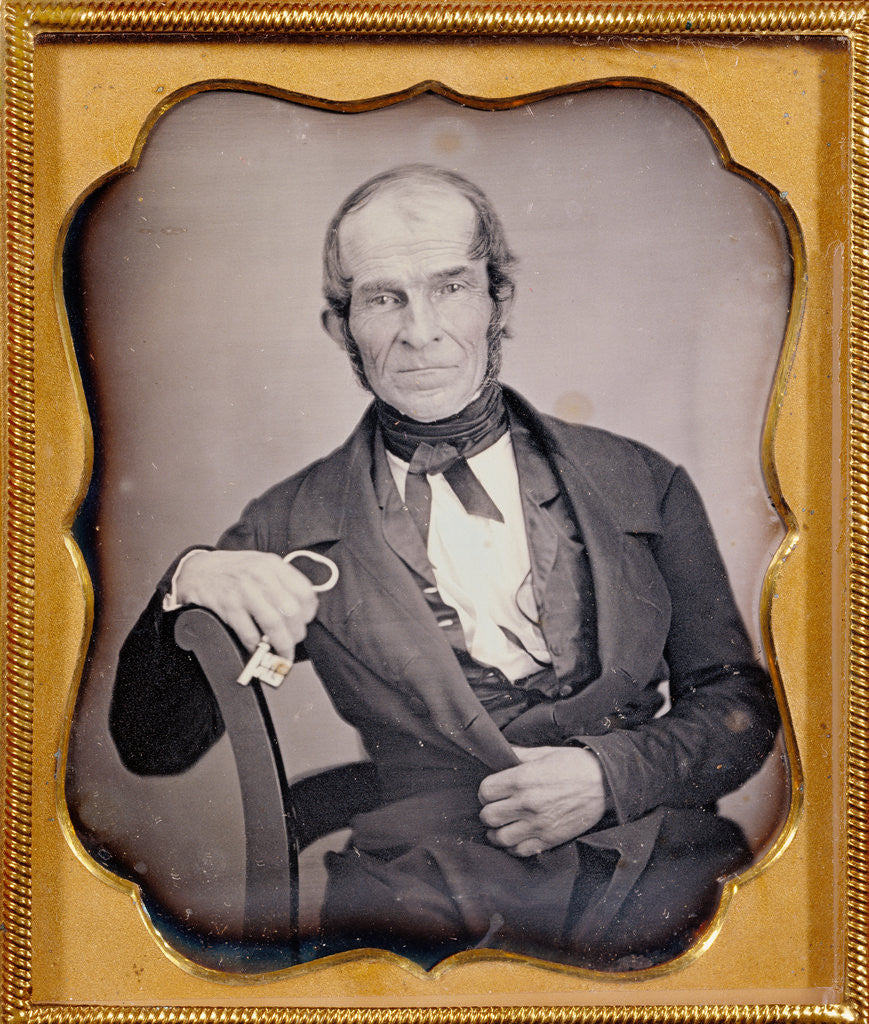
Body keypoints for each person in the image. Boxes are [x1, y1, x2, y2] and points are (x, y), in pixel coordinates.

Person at [109, 164, 780, 971]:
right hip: (423, 902)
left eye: (450, 287)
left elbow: (738, 706)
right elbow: (153, 748)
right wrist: (188, 582)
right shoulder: (291, 522)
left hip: (653, 872)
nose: (420, 331)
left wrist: (608, 775)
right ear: (339, 326)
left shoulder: (641, 480)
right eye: (383, 298)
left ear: (499, 300)